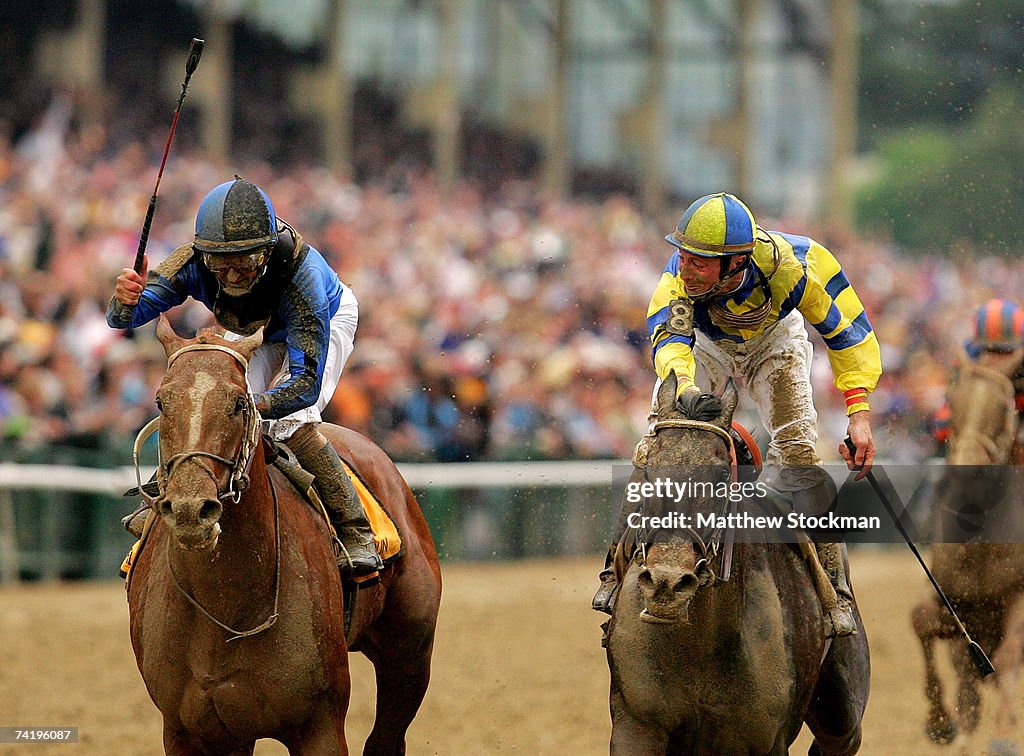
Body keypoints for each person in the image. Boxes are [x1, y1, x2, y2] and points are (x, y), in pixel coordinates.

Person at [592, 192, 882, 638]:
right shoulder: (677, 279)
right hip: (705, 346)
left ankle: (836, 592)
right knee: (659, 437)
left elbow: (848, 336)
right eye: (683, 257)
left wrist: (858, 415)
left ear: (736, 262)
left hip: (776, 343)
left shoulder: (801, 267)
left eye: (699, 263)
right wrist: (684, 390)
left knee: (800, 456)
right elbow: (670, 343)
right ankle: (615, 569)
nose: (684, 269)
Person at [108, 177, 383, 577]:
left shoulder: (302, 277)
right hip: (256, 328)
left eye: (246, 262)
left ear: (268, 252)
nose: (232, 275)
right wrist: (124, 299)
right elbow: (124, 320)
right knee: (209, 399)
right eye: (221, 265)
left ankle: (356, 531)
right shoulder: (189, 261)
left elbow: (304, 387)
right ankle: (164, 496)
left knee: (291, 422)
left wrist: (249, 406)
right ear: (205, 254)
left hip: (323, 320)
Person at [932, 298, 1024, 456]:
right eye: (990, 351)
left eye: (1005, 351)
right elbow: (943, 424)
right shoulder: (967, 363)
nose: (997, 359)